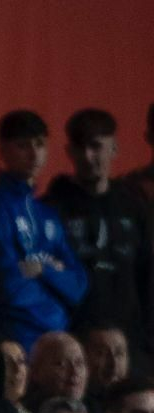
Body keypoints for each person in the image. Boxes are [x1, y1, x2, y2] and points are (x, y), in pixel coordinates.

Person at [0, 110, 89, 352]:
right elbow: (7, 288)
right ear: (2, 151)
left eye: (40, 144)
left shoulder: (47, 212)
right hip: (15, 338)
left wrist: (42, 270)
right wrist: (55, 282)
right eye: (23, 146)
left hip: (57, 337)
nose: (34, 154)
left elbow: (78, 285)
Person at [43, 109, 148, 353]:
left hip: (130, 341)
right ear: (69, 152)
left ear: (114, 148)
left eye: (96, 146)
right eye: (80, 148)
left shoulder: (135, 209)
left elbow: (147, 274)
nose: (88, 156)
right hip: (72, 339)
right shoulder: (52, 208)